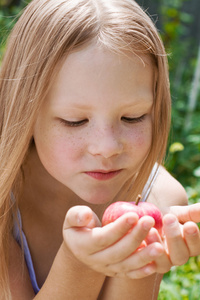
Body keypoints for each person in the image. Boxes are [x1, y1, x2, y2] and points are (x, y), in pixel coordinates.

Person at [0, 0, 200, 299]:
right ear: (24, 114)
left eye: (133, 118)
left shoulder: (160, 199)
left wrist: (138, 266)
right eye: (75, 121)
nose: (107, 147)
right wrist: (80, 263)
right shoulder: (4, 202)